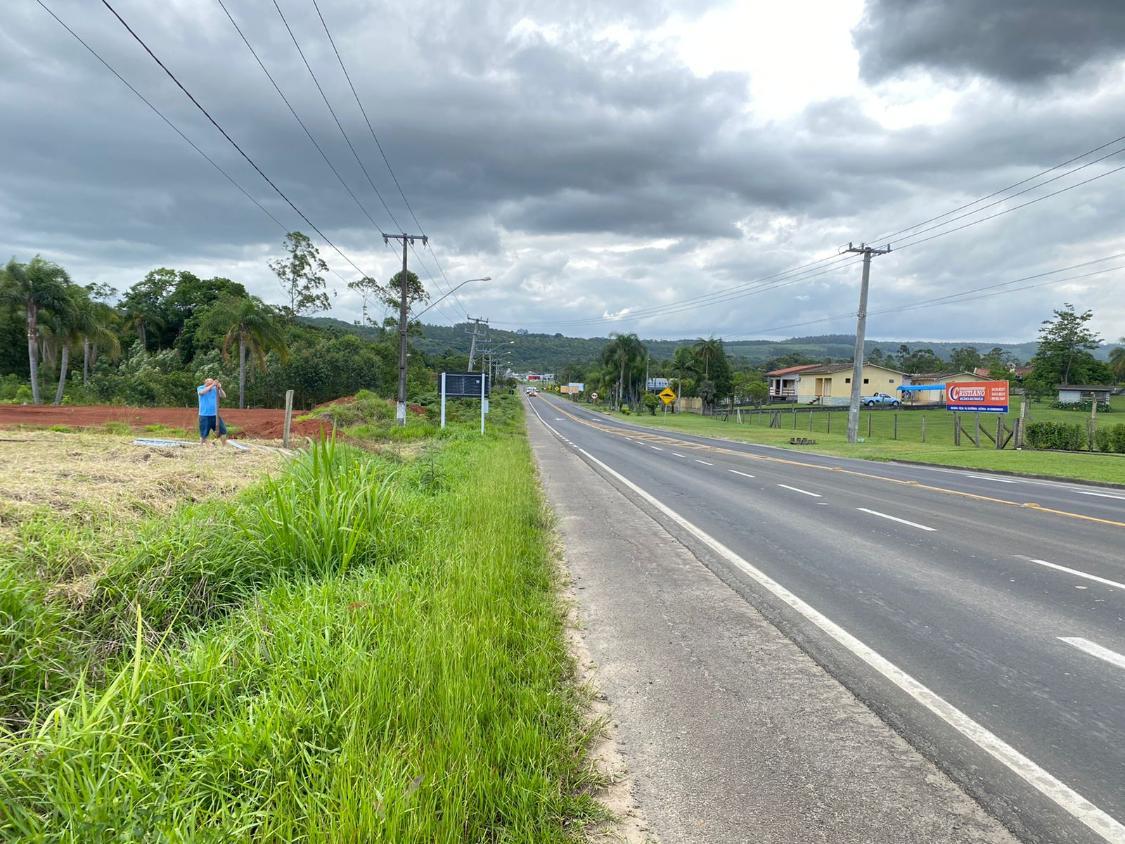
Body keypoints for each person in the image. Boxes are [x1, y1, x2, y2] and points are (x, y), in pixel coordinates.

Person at [197, 378, 228, 446]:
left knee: (223, 431)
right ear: (205, 382)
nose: (212, 383)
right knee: (203, 433)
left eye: (212, 381)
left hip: (215, 415)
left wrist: (220, 388)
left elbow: (223, 396)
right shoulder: (200, 388)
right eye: (209, 381)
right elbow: (202, 393)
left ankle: (224, 447)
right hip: (204, 415)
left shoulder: (215, 389)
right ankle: (201, 446)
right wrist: (213, 385)